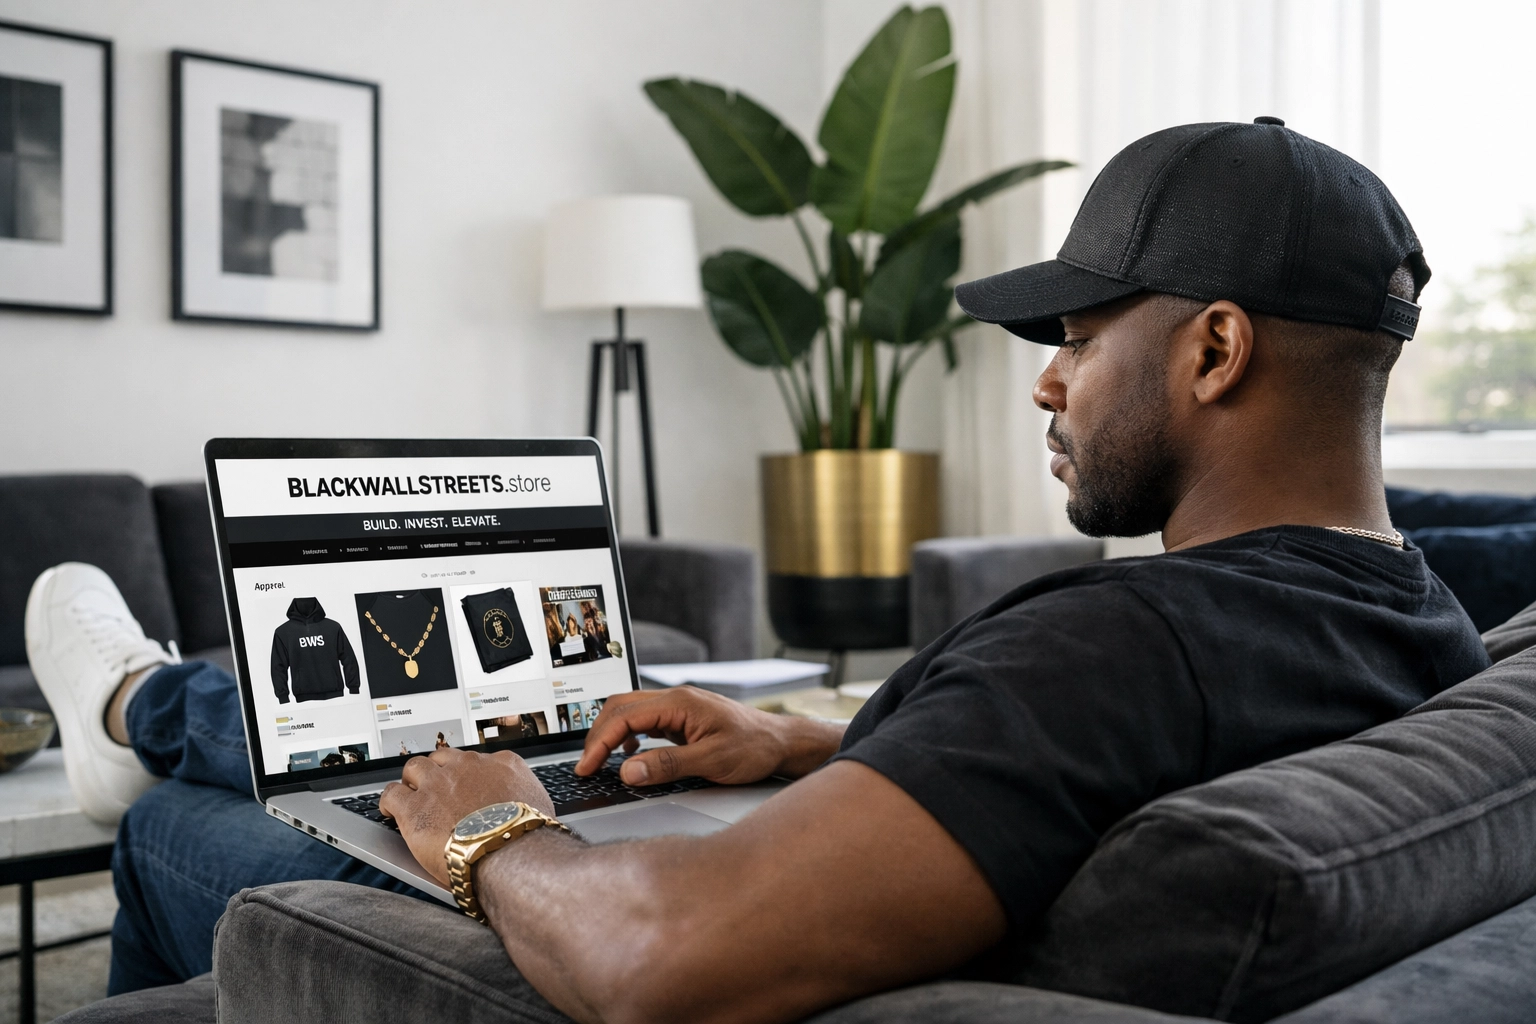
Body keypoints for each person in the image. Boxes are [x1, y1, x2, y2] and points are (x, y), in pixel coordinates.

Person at [25, 119, 1493, 1022]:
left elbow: (666, 964)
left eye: (1078, 336)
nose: (1049, 388)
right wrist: (814, 739)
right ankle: (152, 701)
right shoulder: (1414, 613)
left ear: (1215, 349)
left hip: (620, 951)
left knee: (174, 827)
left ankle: (137, 710)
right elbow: (1098, 759)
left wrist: (497, 838)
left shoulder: (1117, 644)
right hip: (885, 858)